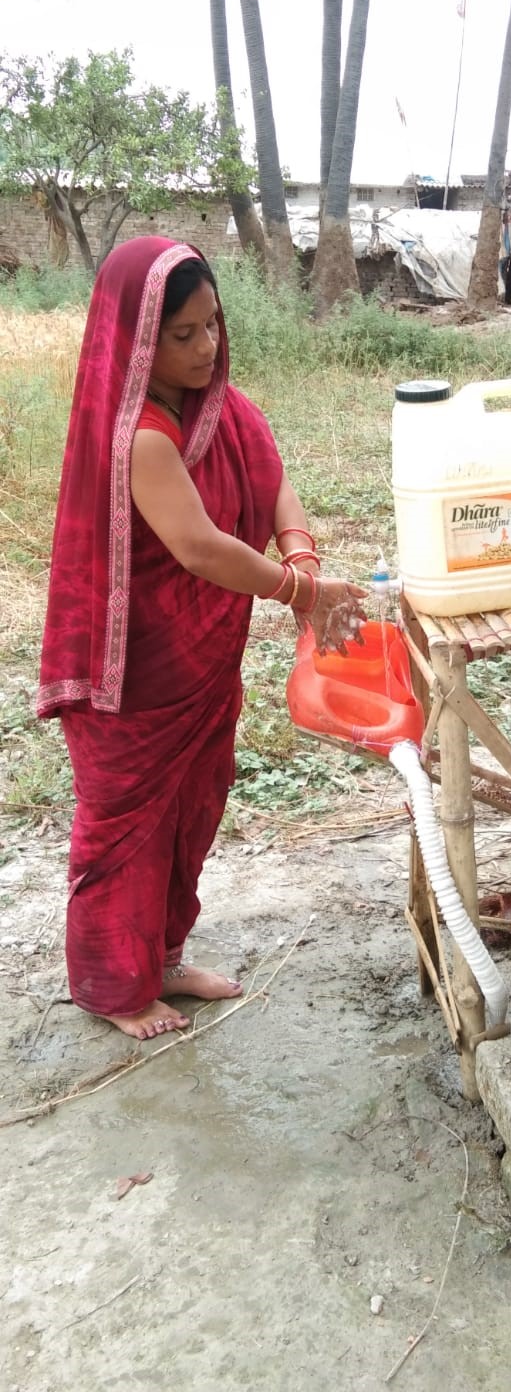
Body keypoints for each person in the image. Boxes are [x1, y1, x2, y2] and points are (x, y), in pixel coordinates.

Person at [38, 236, 366, 1041]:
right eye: (179, 335)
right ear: (135, 339)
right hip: (133, 673)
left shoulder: (222, 407)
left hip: (200, 664)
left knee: (191, 813)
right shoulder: (139, 437)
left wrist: (301, 555)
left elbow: (271, 477)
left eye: (211, 325)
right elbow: (200, 547)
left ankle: (166, 958)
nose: (203, 348)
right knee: (125, 834)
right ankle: (115, 988)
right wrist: (304, 593)